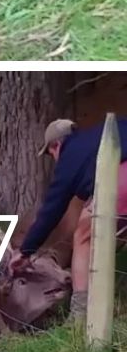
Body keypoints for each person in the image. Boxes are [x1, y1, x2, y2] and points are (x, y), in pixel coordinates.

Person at [14, 117, 127, 325]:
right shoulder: (104, 132)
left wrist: (26, 251)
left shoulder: (69, 158)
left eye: (50, 154)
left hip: (121, 182)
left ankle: (79, 315)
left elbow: (51, 211)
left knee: (82, 238)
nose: (54, 158)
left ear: (56, 145)